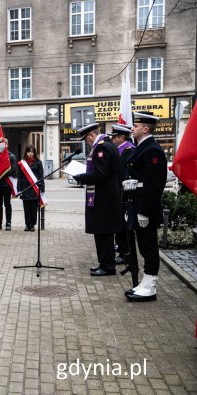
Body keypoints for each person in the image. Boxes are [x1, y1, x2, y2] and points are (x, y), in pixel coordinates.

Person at [123, 112, 168, 302]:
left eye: (136, 125)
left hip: (145, 207)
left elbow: (154, 184)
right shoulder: (141, 148)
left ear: (145, 129)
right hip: (137, 204)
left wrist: (144, 211)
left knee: (148, 247)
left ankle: (150, 286)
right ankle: (145, 283)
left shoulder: (152, 150)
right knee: (143, 245)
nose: (132, 128)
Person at [73, 123, 122, 277]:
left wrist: (81, 177)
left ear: (92, 135)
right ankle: (106, 264)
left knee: (103, 232)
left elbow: (101, 174)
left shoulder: (101, 148)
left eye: (87, 139)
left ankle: (107, 266)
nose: (87, 142)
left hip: (103, 197)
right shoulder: (108, 144)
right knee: (104, 232)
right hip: (108, 196)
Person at [108, 124, 136, 264]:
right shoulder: (119, 150)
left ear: (122, 137)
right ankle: (121, 248)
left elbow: (126, 173)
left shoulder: (128, 150)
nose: (112, 139)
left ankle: (125, 253)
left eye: (114, 136)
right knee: (119, 224)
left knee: (124, 226)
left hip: (124, 193)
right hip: (118, 192)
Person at [17, 144, 44, 232]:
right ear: (26, 152)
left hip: (34, 188)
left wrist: (42, 188)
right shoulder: (22, 163)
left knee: (33, 208)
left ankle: (32, 225)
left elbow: (41, 176)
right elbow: (19, 176)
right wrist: (19, 189)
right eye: (28, 151)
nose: (30, 153)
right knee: (26, 208)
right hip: (25, 187)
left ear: (34, 153)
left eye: (32, 152)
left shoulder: (38, 162)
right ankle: (27, 224)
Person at [0, 145, 17, 231]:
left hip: (7, 184)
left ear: (7, 145)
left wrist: (1, 173)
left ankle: (8, 223)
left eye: (4, 144)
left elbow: (13, 170)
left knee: (7, 204)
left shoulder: (11, 156)